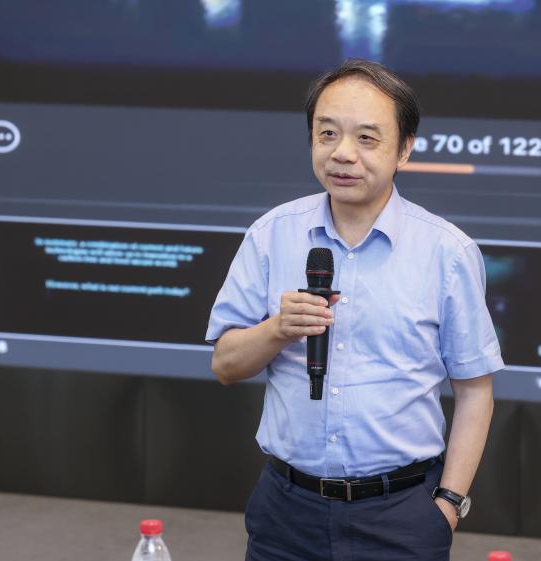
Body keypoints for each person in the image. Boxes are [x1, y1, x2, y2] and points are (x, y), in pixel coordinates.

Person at [206, 59, 504, 561]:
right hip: (286, 511)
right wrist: (278, 329)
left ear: (403, 148)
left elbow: (475, 390)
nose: (343, 153)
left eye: (366, 138)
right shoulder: (271, 235)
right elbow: (225, 364)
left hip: (401, 515)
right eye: (327, 134)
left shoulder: (446, 252)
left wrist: (448, 505)